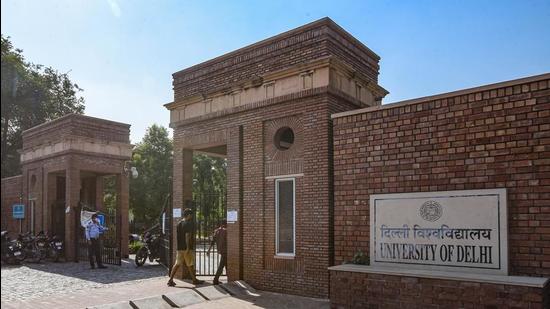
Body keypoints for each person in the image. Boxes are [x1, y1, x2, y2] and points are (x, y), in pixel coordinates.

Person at [167, 208, 204, 286]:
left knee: (177, 264)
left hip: (179, 248)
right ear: (189, 215)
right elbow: (187, 236)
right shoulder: (188, 223)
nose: (192, 216)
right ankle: (194, 280)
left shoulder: (179, 223)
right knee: (190, 264)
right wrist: (187, 247)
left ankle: (170, 280)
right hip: (186, 248)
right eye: (191, 215)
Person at [206, 219, 227, 285]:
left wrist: (209, 250)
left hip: (220, 250)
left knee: (226, 264)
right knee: (222, 265)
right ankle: (215, 280)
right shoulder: (226, 231)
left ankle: (228, 279)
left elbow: (213, 241)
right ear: (226, 224)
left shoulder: (216, 231)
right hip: (226, 250)